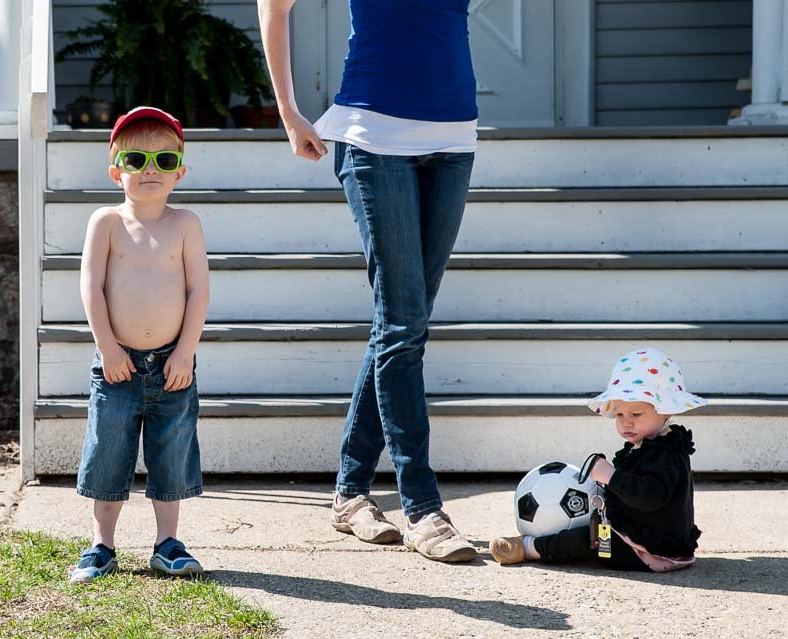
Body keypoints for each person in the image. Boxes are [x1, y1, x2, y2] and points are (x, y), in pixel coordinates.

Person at [258, 0, 479, 561]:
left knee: (400, 325)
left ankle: (351, 493)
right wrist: (289, 112)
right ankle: (423, 508)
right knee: (404, 324)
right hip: (374, 139)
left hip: (455, 138)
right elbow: (273, 5)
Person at [69, 107, 210, 582]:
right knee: (109, 452)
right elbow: (91, 287)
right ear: (116, 172)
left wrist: (186, 351)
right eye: (137, 159)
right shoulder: (106, 222)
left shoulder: (185, 223)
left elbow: (198, 291)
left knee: (171, 453)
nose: (151, 168)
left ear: (180, 172)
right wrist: (107, 346)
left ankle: (167, 543)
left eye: (164, 161)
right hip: (117, 366)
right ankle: (101, 545)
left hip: (173, 364)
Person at [491, 347, 706, 572]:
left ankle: (530, 547)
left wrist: (611, 476)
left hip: (651, 551)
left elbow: (649, 497)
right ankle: (544, 543)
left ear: (666, 411)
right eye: (620, 414)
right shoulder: (655, 445)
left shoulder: (666, 453)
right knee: (593, 527)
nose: (626, 422)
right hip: (648, 538)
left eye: (636, 414)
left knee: (591, 539)